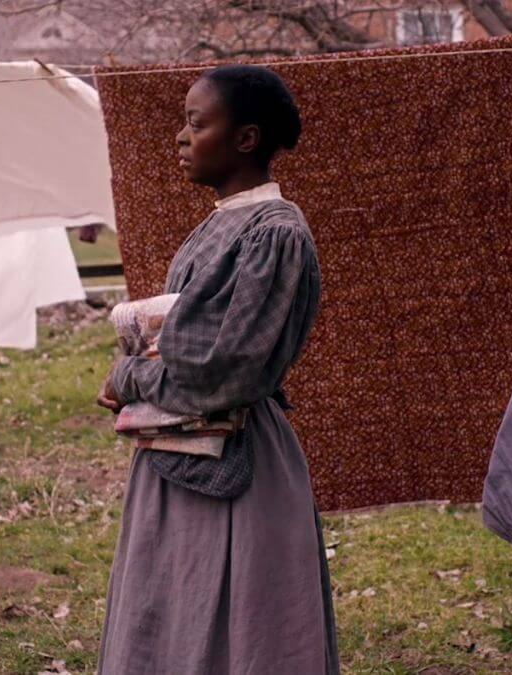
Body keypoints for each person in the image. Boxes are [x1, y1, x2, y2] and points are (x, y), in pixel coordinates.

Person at [96, 64, 339, 674]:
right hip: (178, 450)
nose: (180, 137)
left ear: (246, 138)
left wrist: (128, 379)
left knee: (245, 631)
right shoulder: (221, 222)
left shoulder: (274, 232)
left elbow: (220, 372)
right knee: (173, 616)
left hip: (240, 458)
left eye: (196, 123)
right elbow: (186, 343)